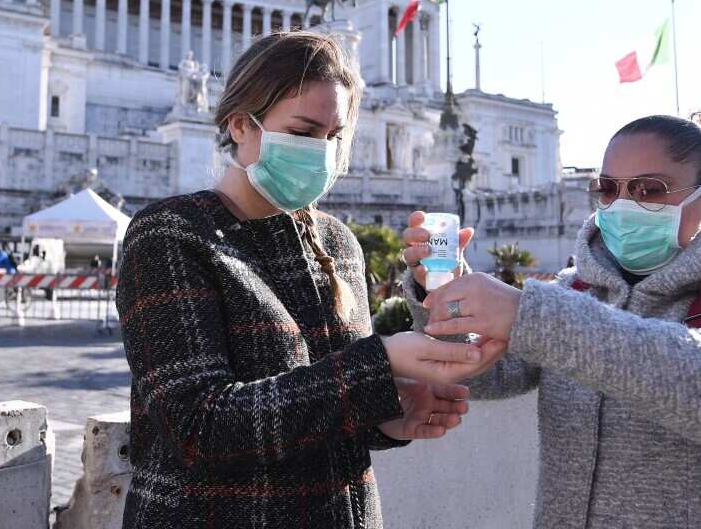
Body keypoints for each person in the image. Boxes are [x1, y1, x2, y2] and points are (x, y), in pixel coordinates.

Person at [116, 31, 496, 528]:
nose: (321, 153)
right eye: (302, 131)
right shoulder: (172, 234)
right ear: (240, 125)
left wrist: (389, 417)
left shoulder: (338, 243)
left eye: (333, 137)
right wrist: (378, 363)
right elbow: (198, 427)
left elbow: (326, 408)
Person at [405, 113, 701, 528]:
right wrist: (441, 293)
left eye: (648, 189)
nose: (623, 206)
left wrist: (530, 315)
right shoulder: (578, 289)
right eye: (608, 189)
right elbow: (482, 373)